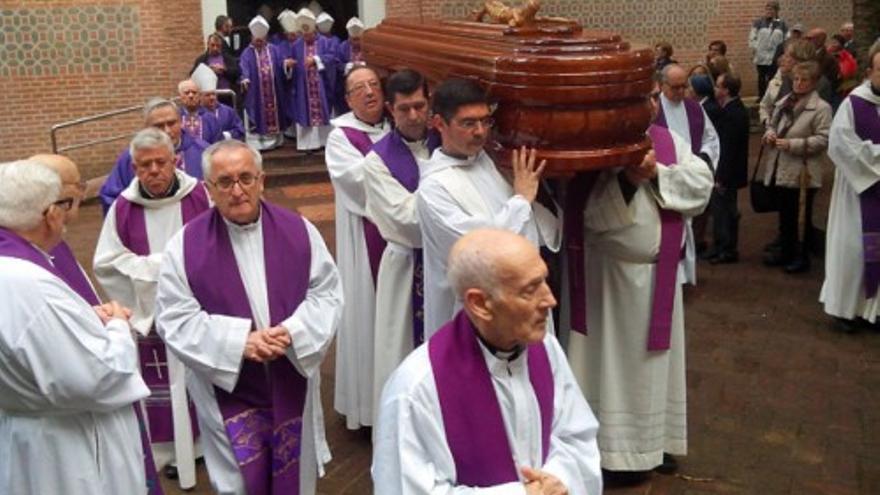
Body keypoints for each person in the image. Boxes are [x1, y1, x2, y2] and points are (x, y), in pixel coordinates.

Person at [154, 139, 343, 494]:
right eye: (225, 182)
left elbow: (327, 292)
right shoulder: (184, 246)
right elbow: (175, 317)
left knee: (295, 477)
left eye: (246, 178)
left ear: (262, 180)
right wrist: (240, 342)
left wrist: (292, 332)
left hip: (290, 372)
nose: (237, 190)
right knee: (239, 482)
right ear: (209, 189)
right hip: (227, 385)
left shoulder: (300, 231)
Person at [373, 228, 602, 494]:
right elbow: (403, 487)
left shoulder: (545, 348)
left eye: (545, 281)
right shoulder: (417, 388)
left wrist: (557, 480)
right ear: (480, 303)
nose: (550, 300)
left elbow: (575, 434)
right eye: (530, 290)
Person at [564, 82, 713, 478]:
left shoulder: (669, 141)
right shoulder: (596, 148)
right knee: (610, 369)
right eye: (634, 99)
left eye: (649, 97)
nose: (644, 106)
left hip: (657, 279)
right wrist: (627, 181)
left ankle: (653, 444)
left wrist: (655, 174)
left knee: (655, 369)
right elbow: (588, 220)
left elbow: (701, 187)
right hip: (609, 283)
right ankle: (611, 451)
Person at [0, 159, 150, 495]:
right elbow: (96, 378)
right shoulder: (30, 284)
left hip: (30, 434)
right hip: (69, 448)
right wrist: (117, 326)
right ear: (51, 213)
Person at [93, 128, 211, 489]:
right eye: (146, 165)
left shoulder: (200, 196)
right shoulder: (124, 209)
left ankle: (204, 442)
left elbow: (220, 243)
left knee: (200, 377)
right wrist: (158, 268)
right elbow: (106, 262)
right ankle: (168, 451)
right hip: (151, 315)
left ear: (175, 161)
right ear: (134, 167)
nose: (155, 171)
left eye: (162, 162)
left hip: (198, 307)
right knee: (163, 384)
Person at [417, 78, 560, 336]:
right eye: (468, 123)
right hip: (474, 312)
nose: (481, 131)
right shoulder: (434, 188)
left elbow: (539, 226)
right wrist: (521, 201)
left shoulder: (489, 161)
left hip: (521, 297)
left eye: (485, 121)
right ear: (439, 124)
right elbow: (476, 250)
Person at [364, 69, 435, 424]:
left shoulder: (447, 142)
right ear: (390, 109)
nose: (413, 116)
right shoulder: (376, 161)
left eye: (419, 106)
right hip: (408, 269)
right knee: (401, 354)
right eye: (404, 108)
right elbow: (405, 221)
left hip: (444, 268)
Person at [326, 65, 390, 430]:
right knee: (369, 317)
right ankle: (368, 408)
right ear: (348, 99)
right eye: (359, 88)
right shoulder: (341, 136)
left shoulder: (396, 124)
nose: (369, 92)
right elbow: (356, 182)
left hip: (399, 240)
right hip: (366, 241)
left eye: (374, 84)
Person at [821, 44, 880, 333]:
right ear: (869, 72)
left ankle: (874, 310)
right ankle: (844, 310)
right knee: (853, 250)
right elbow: (841, 146)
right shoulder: (852, 104)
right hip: (857, 191)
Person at [760, 61, 832, 273]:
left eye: (804, 80)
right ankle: (785, 251)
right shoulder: (785, 101)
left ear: (814, 82)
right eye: (796, 79)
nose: (799, 84)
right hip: (781, 166)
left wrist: (794, 144)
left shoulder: (821, 108)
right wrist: (769, 133)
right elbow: (772, 123)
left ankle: (801, 257)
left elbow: (824, 139)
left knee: (800, 216)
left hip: (803, 170)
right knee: (785, 214)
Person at [655, 64, 719, 282]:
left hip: (688, 177)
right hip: (665, 180)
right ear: (661, 85)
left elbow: (711, 138)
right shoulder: (653, 109)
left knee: (688, 229)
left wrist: (702, 159)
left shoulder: (694, 108)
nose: (681, 92)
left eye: (684, 86)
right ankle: (669, 276)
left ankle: (684, 274)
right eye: (675, 87)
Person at [100, 98, 209, 213]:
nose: (167, 130)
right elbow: (111, 198)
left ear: (181, 122)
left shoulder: (203, 152)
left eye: (171, 123)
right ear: (146, 127)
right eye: (159, 126)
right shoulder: (132, 157)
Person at [708, 72, 750, 264]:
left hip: (728, 173)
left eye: (718, 86)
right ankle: (720, 246)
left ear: (726, 90)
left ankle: (727, 249)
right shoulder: (729, 109)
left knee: (726, 211)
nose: (715, 89)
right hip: (727, 170)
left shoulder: (734, 113)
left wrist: (721, 176)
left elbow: (729, 148)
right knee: (721, 211)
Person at [239, 15, 294, 151]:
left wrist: (286, 65)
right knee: (257, 115)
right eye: (256, 40)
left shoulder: (274, 49)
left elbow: (281, 63)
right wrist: (245, 78)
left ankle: (276, 141)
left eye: (261, 40)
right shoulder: (247, 52)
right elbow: (243, 66)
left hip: (274, 91)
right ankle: (259, 145)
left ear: (265, 37)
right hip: (256, 92)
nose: (258, 42)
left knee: (275, 113)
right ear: (252, 37)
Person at [291, 8, 337, 151]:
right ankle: (307, 145)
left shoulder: (325, 42)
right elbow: (292, 62)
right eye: (304, 35)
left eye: (309, 34)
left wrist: (316, 59)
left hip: (321, 85)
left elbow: (332, 58)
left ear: (314, 30)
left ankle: (324, 143)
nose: (306, 37)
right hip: (303, 87)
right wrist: (288, 65)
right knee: (305, 111)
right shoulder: (296, 45)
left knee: (323, 111)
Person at [749, 1, 787, 98]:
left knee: (772, 78)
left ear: (777, 10)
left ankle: (771, 97)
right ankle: (761, 96)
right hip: (761, 55)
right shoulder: (759, 22)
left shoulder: (782, 24)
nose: (769, 11)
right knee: (761, 77)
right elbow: (752, 37)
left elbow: (786, 39)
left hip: (775, 56)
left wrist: (782, 54)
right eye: (767, 9)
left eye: (772, 9)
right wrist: (755, 49)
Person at [335, 17, 366, 115]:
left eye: (358, 39)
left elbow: (376, 62)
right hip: (347, 85)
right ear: (349, 37)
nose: (356, 42)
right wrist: (347, 67)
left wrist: (364, 65)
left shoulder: (368, 45)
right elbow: (336, 63)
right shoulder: (342, 47)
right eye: (353, 39)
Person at [178, 78, 223, 144]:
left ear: (199, 96)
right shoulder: (176, 117)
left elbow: (217, 144)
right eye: (186, 93)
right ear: (180, 97)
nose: (191, 95)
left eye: (194, 92)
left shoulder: (210, 118)